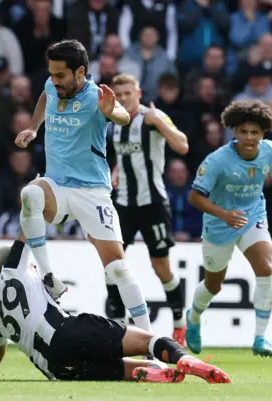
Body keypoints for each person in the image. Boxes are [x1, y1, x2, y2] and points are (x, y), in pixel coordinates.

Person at [14, 40, 152, 333]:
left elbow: (124, 117)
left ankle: (150, 340)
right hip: (58, 188)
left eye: (61, 75)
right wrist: (33, 127)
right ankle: (49, 277)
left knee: (117, 268)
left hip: (92, 192)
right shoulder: (53, 87)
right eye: (51, 74)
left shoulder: (96, 96)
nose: (55, 81)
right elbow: (44, 95)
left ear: (80, 72)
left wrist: (111, 111)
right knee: (31, 193)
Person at [0, 240, 231, 384]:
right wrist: (40, 188)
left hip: (57, 370)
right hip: (68, 332)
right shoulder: (17, 269)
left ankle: (152, 371)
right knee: (148, 341)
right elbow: (27, 224)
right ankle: (186, 359)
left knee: (124, 370)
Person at [185, 100, 272, 357]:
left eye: (255, 132)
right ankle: (192, 317)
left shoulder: (270, 151)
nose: (249, 138)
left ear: (263, 133)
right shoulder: (216, 161)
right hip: (219, 224)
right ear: (234, 132)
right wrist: (223, 214)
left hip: (253, 216)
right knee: (214, 285)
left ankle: (260, 338)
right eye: (243, 132)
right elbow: (194, 197)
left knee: (266, 268)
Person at [105, 73, 189, 345]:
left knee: (161, 266)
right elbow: (124, 153)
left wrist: (159, 123)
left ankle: (179, 322)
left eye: (129, 93)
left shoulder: (153, 118)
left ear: (138, 93)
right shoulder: (114, 123)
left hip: (153, 203)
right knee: (113, 265)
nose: (125, 98)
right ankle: (117, 328)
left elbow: (182, 145)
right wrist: (117, 170)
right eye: (119, 95)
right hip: (124, 204)